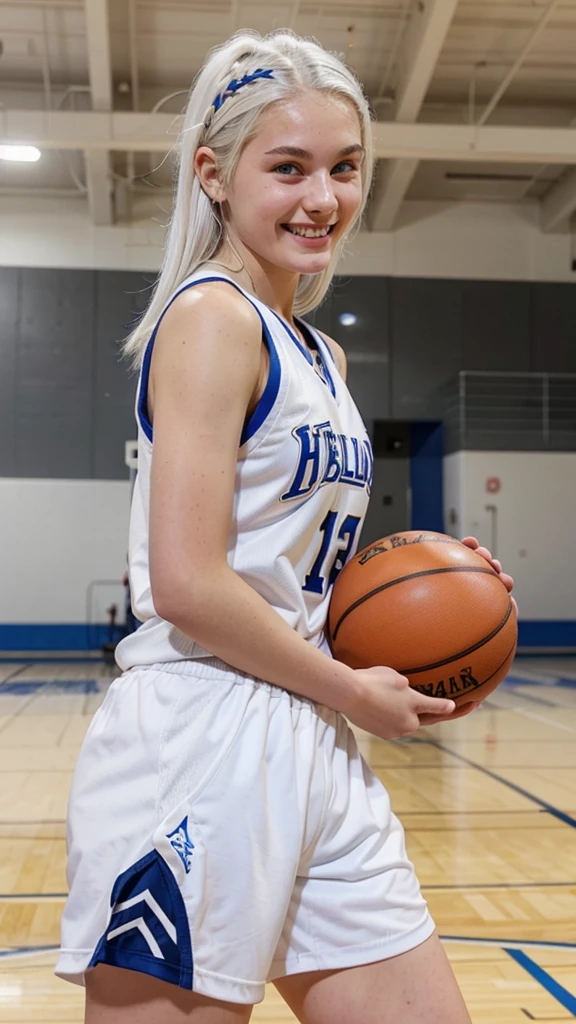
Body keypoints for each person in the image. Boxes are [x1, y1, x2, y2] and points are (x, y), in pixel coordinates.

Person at [56, 29, 514, 1024]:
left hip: (307, 738)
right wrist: (354, 688)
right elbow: (186, 582)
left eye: (345, 168)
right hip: (199, 737)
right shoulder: (211, 318)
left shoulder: (321, 358)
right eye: (289, 167)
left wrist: (439, 572)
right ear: (216, 177)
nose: (323, 198)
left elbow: (303, 566)